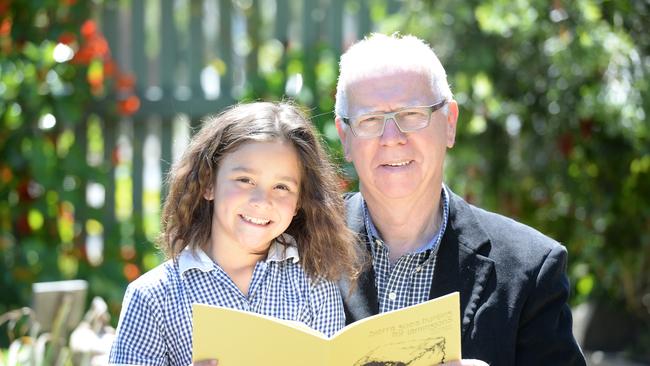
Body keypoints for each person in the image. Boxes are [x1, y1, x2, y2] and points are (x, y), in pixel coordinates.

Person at [334, 33, 586, 365]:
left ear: (449, 123)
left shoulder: (530, 269)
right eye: (370, 120)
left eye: (411, 115)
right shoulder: (295, 243)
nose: (391, 138)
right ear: (345, 138)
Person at [109, 102, 360, 366]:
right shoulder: (153, 297)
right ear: (208, 184)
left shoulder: (315, 284)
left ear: (299, 202)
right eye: (245, 180)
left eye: (282, 186)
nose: (262, 200)